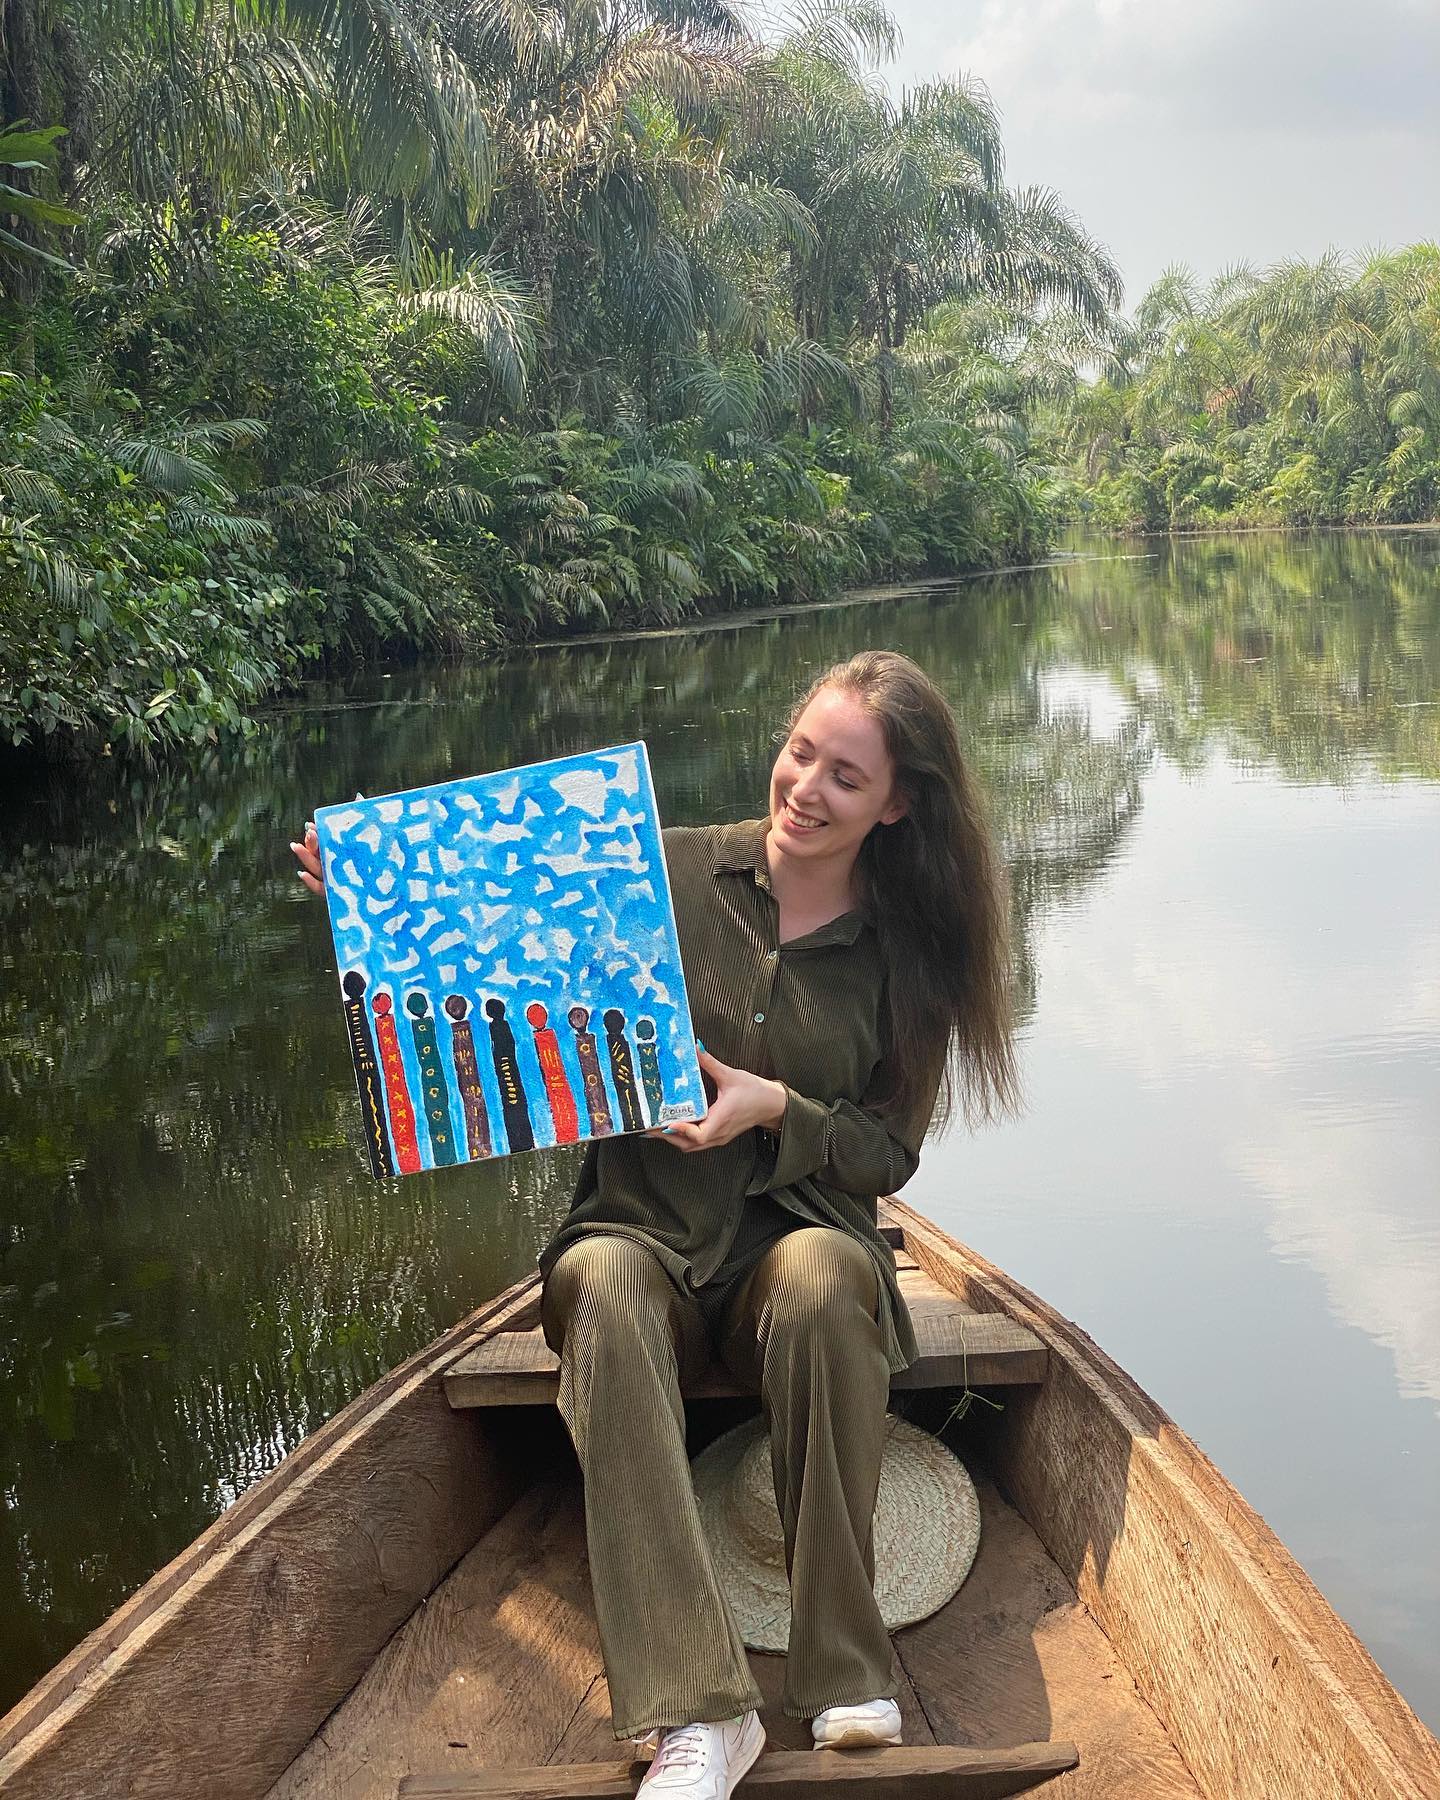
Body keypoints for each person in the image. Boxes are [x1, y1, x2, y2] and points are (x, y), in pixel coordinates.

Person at [291, 649, 1018, 1800]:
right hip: (645, 1239)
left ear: (899, 802)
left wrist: (772, 1110)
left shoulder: (909, 952)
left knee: (835, 1275)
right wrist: (378, 905)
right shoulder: (654, 873)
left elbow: (890, 1151)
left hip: (791, 1260)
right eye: (799, 752)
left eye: (844, 774)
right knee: (605, 1288)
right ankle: (699, 1715)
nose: (806, 788)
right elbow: (492, 950)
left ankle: (838, 1675)